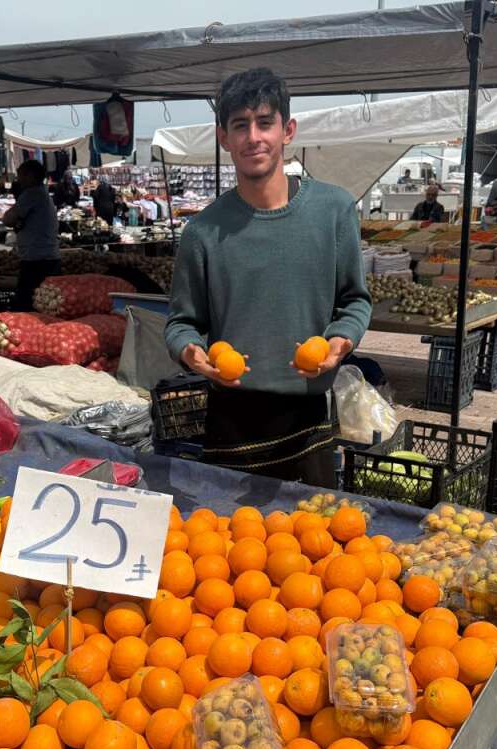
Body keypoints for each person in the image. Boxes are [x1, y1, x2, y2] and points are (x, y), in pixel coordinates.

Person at [165, 67, 371, 484]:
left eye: (264, 122)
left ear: (288, 130)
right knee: (230, 546)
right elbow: (181, 323)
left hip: (308, 415)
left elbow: (355, 300)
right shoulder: (202, 232)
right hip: (231, 418)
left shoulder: (333, 211)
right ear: (224, 137)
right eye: (240, 126)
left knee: (316, 542)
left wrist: (341, 341)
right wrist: (191, 351)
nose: (253, 137)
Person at [1, 160, 61, 309]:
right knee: (43, 303)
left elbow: (8, 219)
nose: (18, 179)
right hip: (46, 256)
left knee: (27, 304)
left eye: (20, 175)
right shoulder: (41, 193)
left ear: (31, 176)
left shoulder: (32, 193)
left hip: (37, 259)